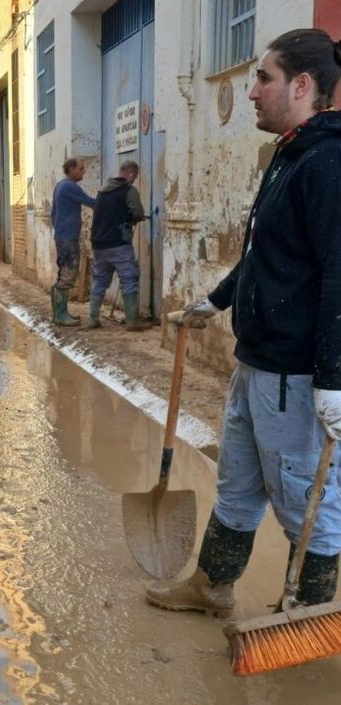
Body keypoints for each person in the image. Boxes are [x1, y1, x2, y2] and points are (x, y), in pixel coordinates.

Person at [147, 29, 341, 617]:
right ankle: (212, 586)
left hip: (295, 376)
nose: (252, 92)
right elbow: (264, 254)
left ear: (302, 86)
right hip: (255, 363)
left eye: (264, 78)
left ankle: (306, 616)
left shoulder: (329, 164)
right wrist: (214, 301)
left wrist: (332, 379)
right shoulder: (291, 153)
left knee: (305, 501)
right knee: (237, 484)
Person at [87, 160, 151, 332]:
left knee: (100, 280)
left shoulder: (102, 190)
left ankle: (93, 319)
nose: (134, 180)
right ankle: (132, 321)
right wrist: (138, 218)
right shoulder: (129, 190)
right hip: (118, 244)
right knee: (129, 278)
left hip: (98, 244)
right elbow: (137, 212)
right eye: (135, 177)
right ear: (130, 174)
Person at [50, 157, 95, 326]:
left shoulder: (60, 186)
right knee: (69, 272)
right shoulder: (70, 187)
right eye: (81, 169)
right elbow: (90, 202)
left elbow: (53, 214)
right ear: (71, 169)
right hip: (68, 237)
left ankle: (60, 313)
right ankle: (60, 315)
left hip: (62, 235)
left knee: (64, 272)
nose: (83, 171)